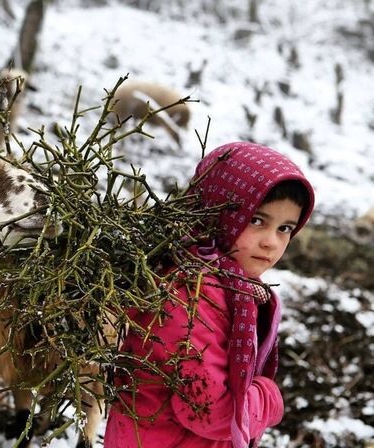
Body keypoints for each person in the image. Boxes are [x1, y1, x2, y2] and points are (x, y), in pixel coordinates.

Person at [104, 141, 315, 448]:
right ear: (216, 213)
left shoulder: (224, 284)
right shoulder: (188, 297)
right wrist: (269, 398)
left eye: (285, 228)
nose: (271, 242)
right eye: (256, 221)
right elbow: (212, 412)